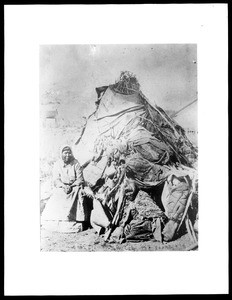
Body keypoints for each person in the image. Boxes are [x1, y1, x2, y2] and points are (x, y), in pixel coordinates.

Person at [41, 145, 91, 232]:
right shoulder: (57, 164)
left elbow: (80, 178)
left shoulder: (76, 163)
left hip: (74, 187)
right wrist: (63, 186)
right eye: (65, 153)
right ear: (61, 154)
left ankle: (75, 220)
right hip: (61, 187)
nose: (67, 155)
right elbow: (56, 179)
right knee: (57, 193)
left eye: (69, 153)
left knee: (77, 192)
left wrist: (71, 186)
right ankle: (58, 221)